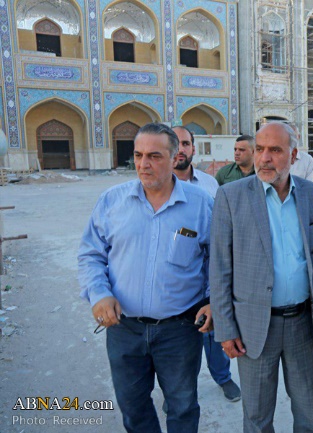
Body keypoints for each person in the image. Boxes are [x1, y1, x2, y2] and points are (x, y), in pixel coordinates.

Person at [78, 123, 213, 433]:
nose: (143, 164)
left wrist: (214, 301)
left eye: (154, 156)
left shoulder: (200, 204)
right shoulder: (113, 201)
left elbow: (217, 260)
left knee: (182, 406)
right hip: (124, 329)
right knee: (134, 408)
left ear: (175, 156)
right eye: (138, 155)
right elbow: (91, 254)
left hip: (180, 331)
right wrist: (99, 293)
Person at [211, 122, 313, 433]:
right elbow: (220, 268)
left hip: (302, 325)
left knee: (309, 411)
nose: (265, 158)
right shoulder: (230, 196)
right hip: (253, 328)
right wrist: (225, 328)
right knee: (257, 415)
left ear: (293, 155)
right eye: (260, 150)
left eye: (275, 150)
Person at [172, 126, 241, 402]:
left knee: (214, 329)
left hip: (209, 273)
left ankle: (223, 378)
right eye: (175, 144)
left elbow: (220, 228)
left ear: (193, 149)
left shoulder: (209, 184)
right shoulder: (154, 185)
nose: (180, 149)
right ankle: (177, 388)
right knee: (177, 343)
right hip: (176, 279)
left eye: (186, 144)